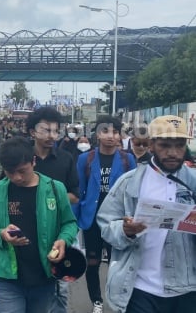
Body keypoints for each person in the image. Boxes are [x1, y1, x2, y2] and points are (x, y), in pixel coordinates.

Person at [97, 115, 196, 312]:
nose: (173, 153)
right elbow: (106, 224)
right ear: (151, 145)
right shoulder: (130, 183)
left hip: (187, 288)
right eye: (165, 145)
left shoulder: (193, 182)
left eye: (179, 145)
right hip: (139, 288)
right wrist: (126, 230)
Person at [0, 136, 78, 313]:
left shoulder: (55, 189)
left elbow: (69, 224)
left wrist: (63, 240)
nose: (17, 177)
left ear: (33, 161)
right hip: (7, 280)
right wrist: (1, 234)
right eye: (10, 172)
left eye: (22, 171)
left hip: (44, 277)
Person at [74, 115, 137, 313]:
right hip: (91, 219)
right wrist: (75, 221)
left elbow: (134, 192)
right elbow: (78, 192)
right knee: (92, 262)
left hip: (117, 221)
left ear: (120, 135)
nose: (111, 136)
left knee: (117, 263)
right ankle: (97, 301)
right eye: (105, 131)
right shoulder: (86, 159)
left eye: (115, 132)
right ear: (97, 135)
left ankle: (118, 301)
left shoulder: (128, 159)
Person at [26, 107, 79, 313]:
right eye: (46, 130)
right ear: (32, 132)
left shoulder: (65, 159)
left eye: (55, 131)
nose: (52, 135)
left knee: (60, 289)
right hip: (27, 232)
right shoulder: (23, 158)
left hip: (58, 234)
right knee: (32, 286)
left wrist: (47, 200)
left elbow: (75, 195)